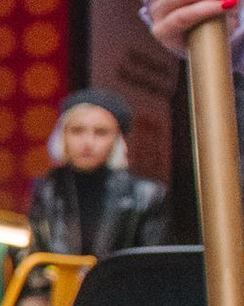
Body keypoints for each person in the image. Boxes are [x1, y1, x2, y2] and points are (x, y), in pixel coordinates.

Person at [25, 88, 165, 259]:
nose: (88, 142)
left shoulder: (146, 195)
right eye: (77, 130)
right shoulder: (47, 189)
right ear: (62, 135)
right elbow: (32, 253)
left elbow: (153, 264)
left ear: (117, 139)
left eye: (101, 132)